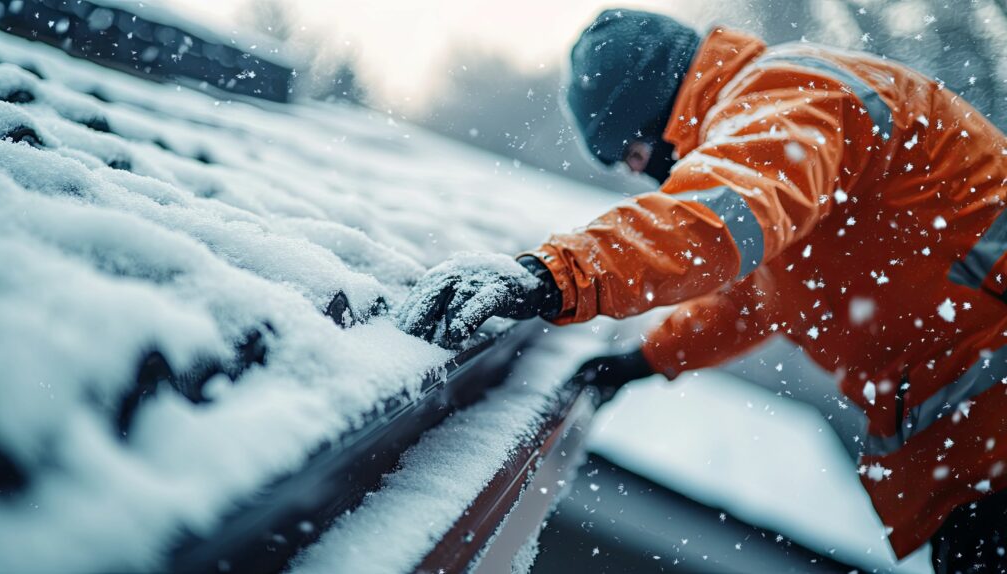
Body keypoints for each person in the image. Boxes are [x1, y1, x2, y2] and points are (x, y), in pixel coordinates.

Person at [397, 9, 1007, 572]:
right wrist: (646, 360)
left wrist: (553, 275)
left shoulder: (788, 92)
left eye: (633, 154)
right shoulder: (777, 122)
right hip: (976, 446)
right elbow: (759, 298)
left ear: (657, 107)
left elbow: (715, 219)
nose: (641, 173)